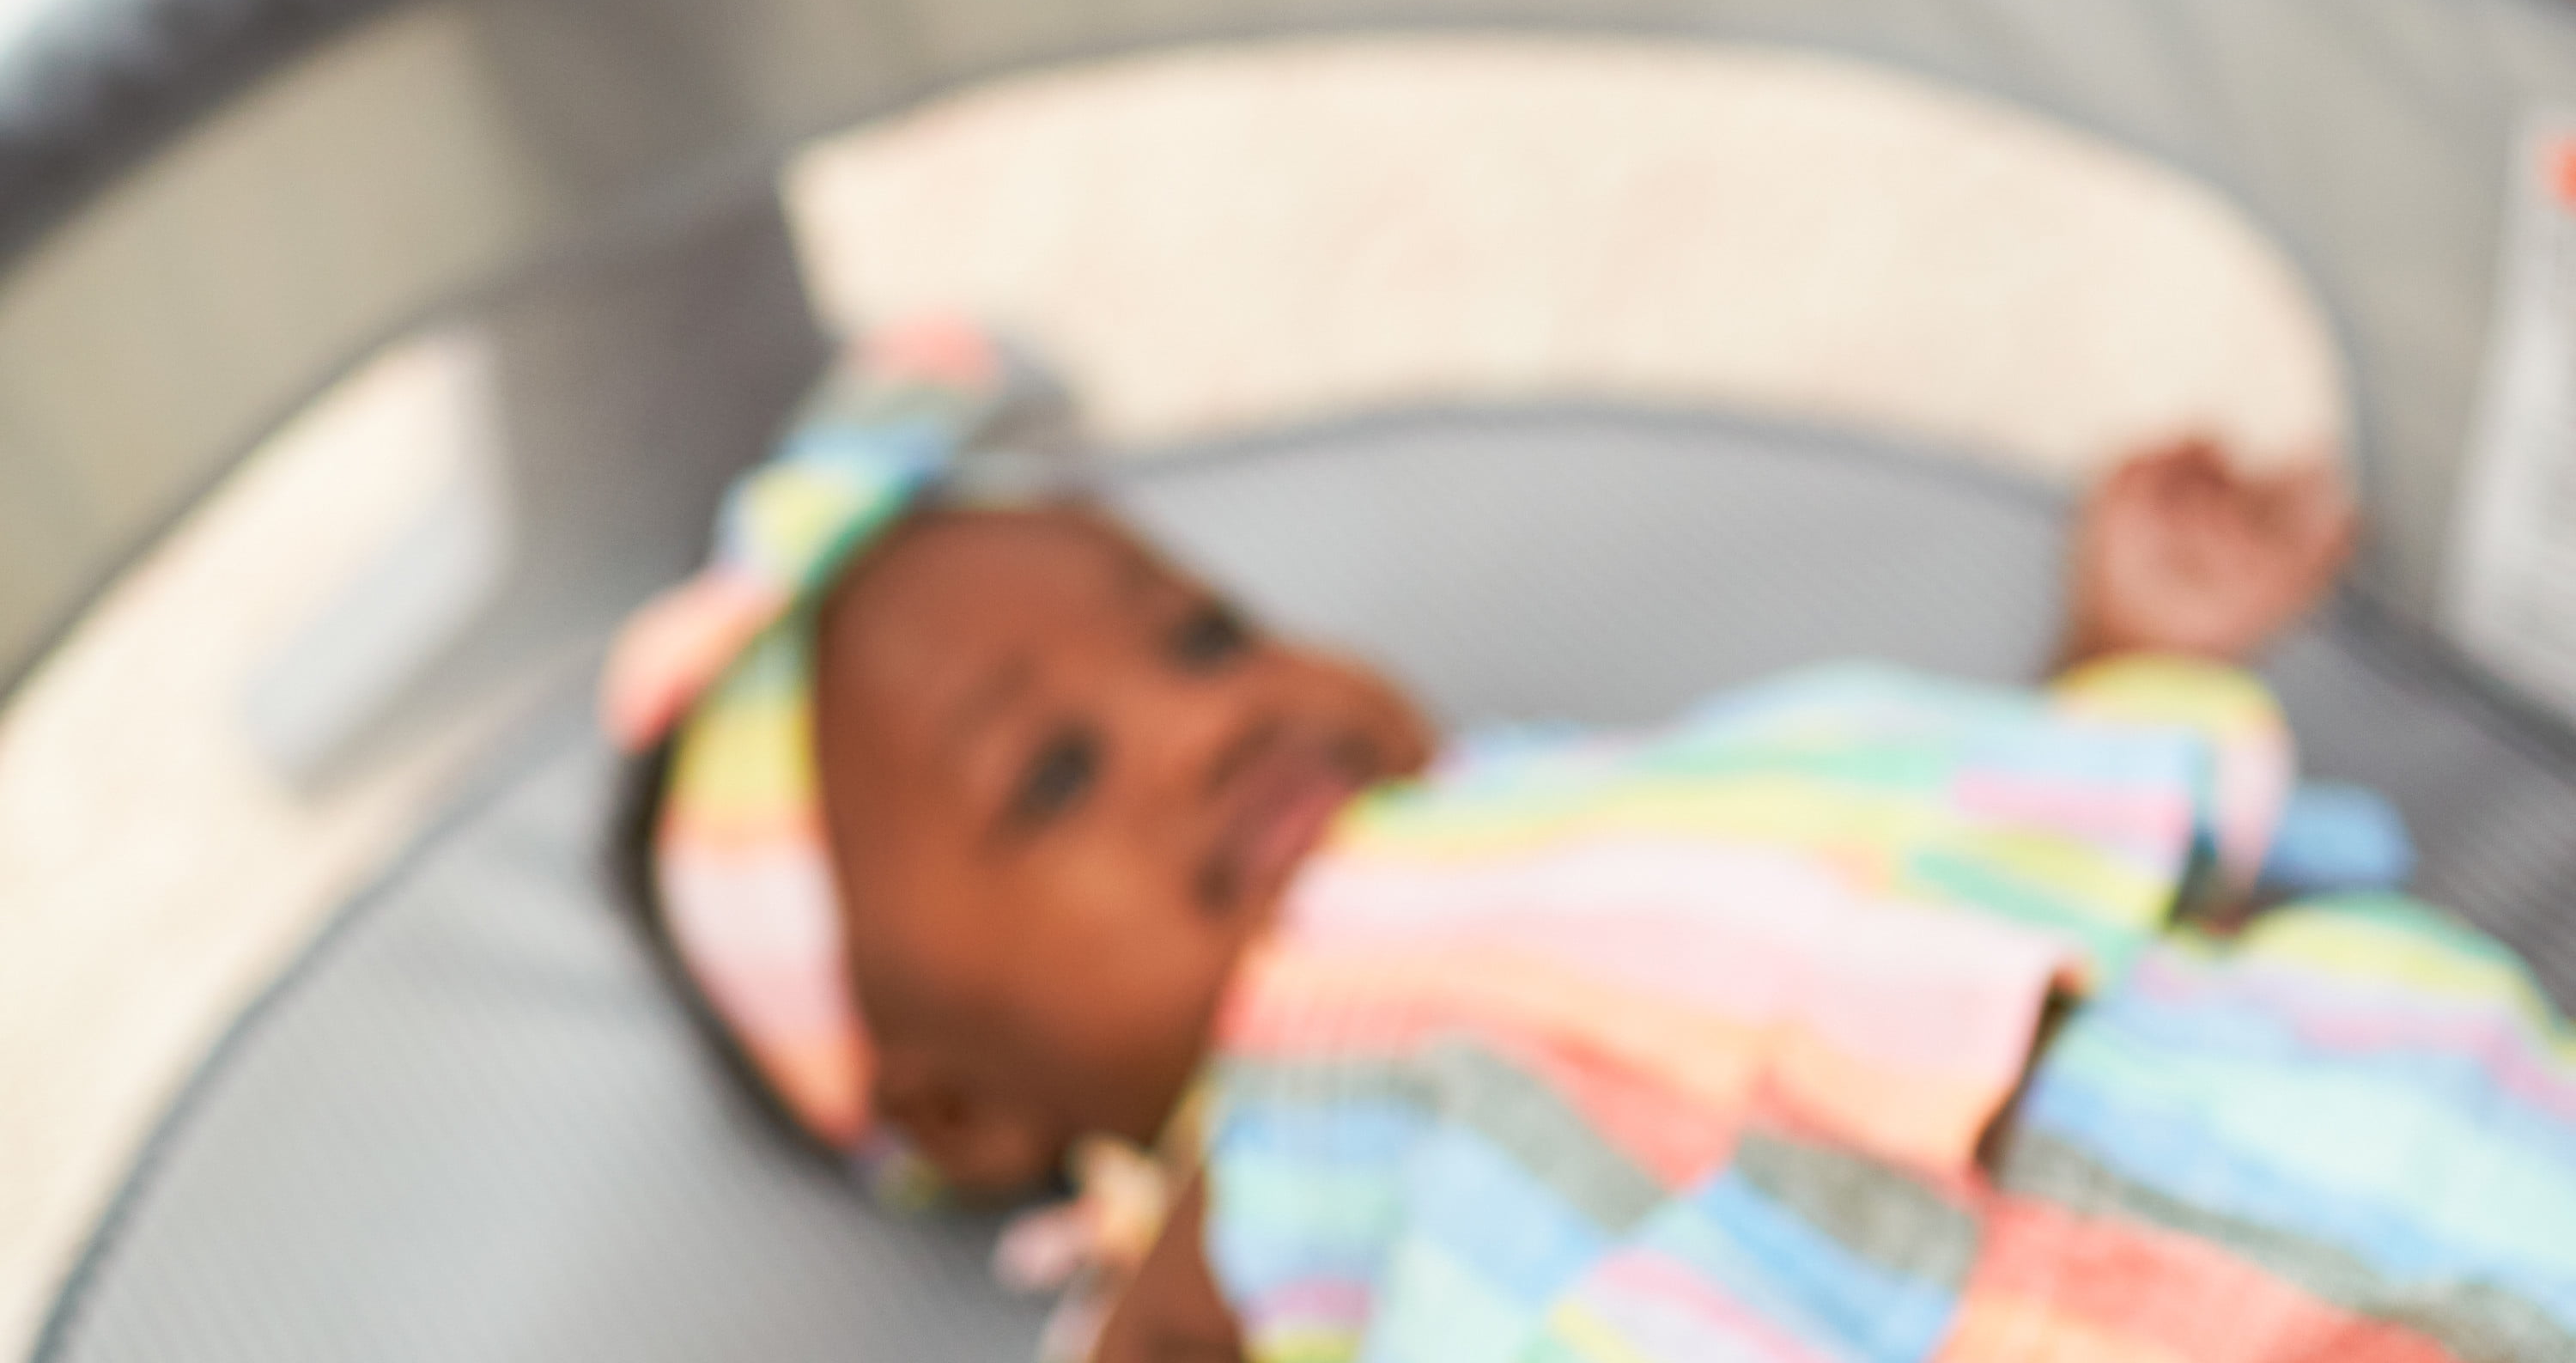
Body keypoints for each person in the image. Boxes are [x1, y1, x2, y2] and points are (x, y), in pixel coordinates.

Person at [603, 324, 2575, 1363]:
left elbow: (1943, 860)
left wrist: (2122, 666)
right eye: (1051, 782)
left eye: (1201, 634)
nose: (1214, 720)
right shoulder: (1215, 1230)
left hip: (2366, 1152)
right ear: (960, 1110)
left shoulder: (1573, 806)